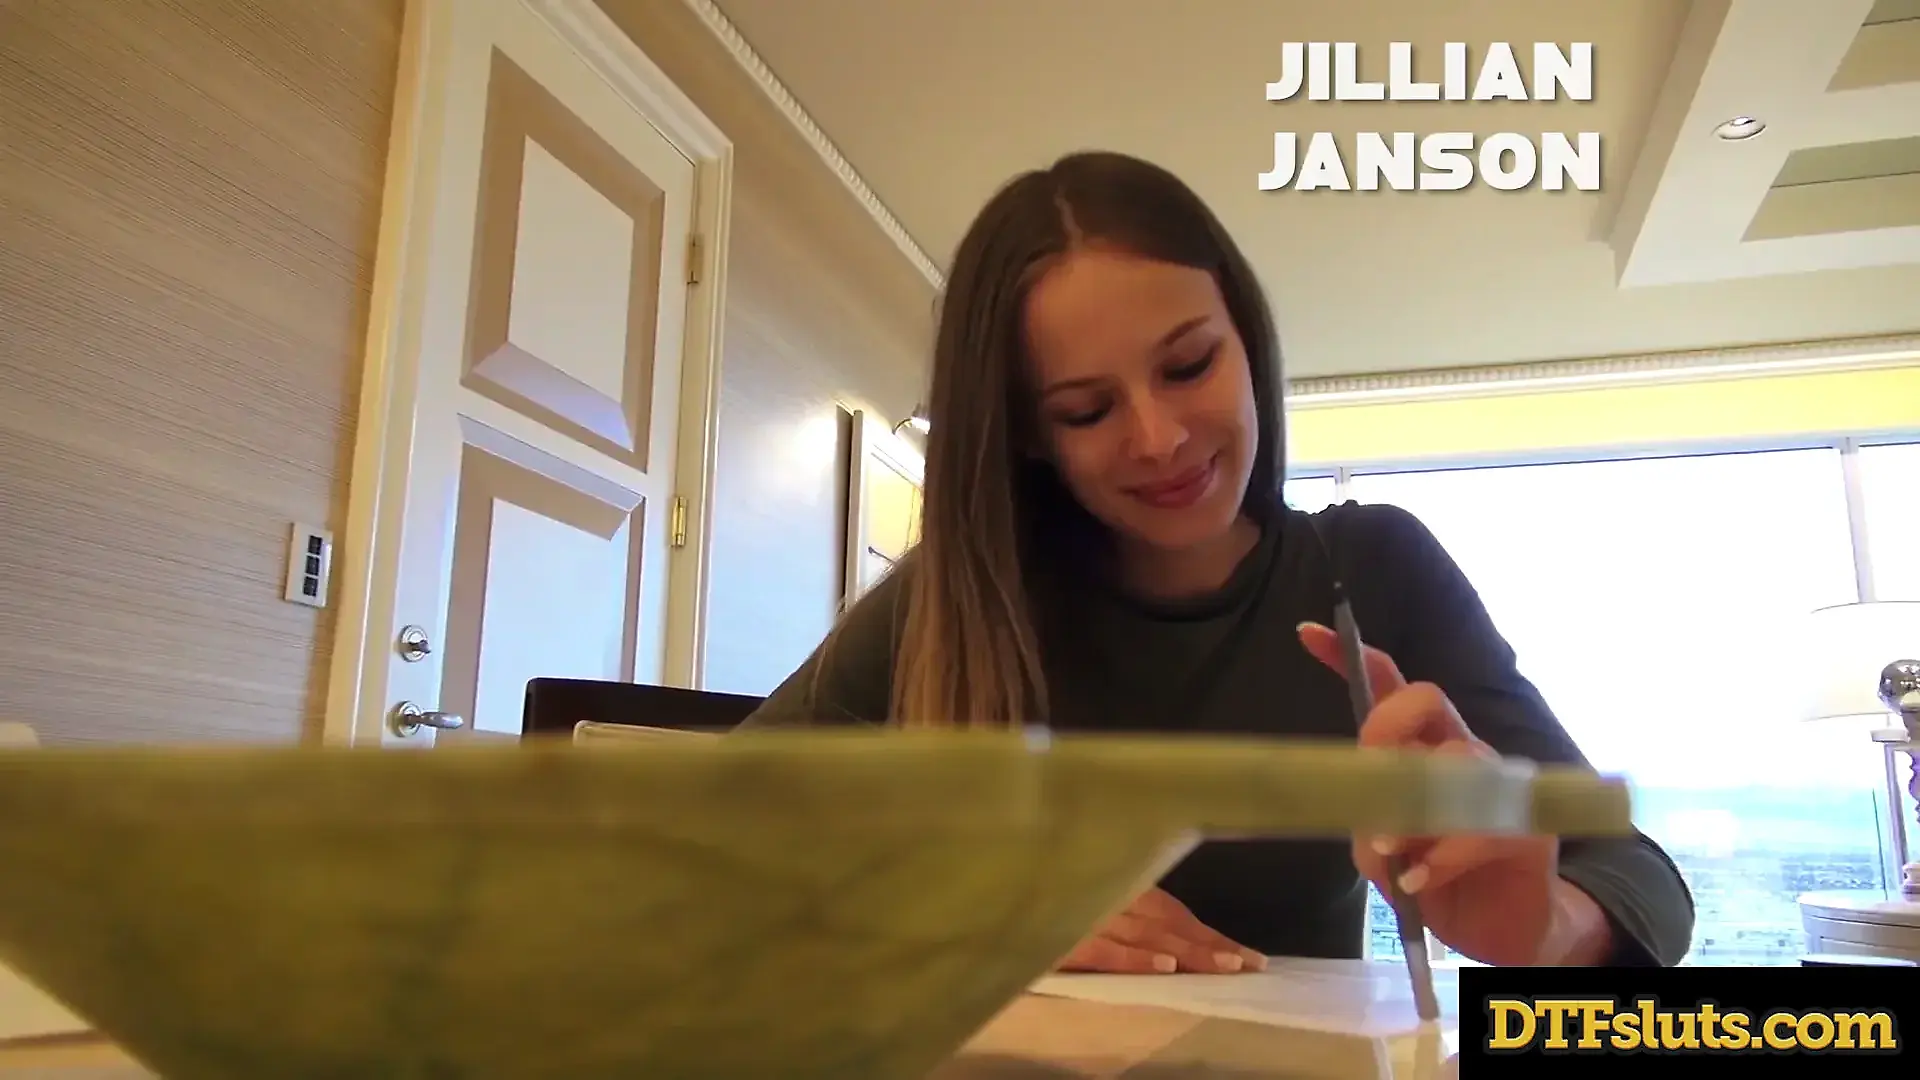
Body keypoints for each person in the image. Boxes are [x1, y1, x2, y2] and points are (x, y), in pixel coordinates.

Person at [738, 150, 1695, 972]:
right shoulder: (958, 603)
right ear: (1030, 435)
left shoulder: (1375, 566)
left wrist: (1546, 924)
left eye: (1189, 365)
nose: (1158, 439)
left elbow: (1639, 877)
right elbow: (708, 848)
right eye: (1086, 410)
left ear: (1246, 340)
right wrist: (964, 913)